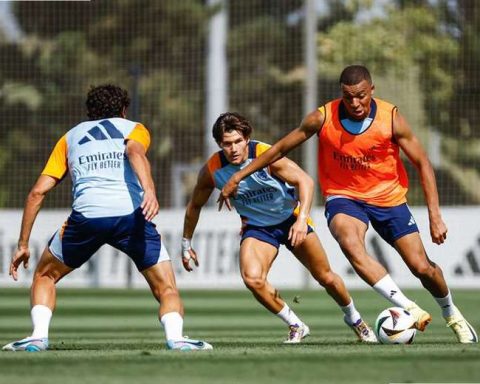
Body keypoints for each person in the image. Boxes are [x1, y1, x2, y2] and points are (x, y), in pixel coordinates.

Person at [218, 65, 478, 344]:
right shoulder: (323, 117)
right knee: (351, 244)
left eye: (361, 96)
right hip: (344, 197)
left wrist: (434, 215)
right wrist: (239, 176)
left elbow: (423, 163)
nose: (354, 103)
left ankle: (452, 315)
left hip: (389, 199)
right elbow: (279, 148)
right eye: (348, 96)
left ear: (372, 91)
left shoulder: (391, 118)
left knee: (422, 268)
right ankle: (410, 307)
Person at [3, 84, 212, 352]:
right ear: (124, 110)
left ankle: (38, 336)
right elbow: (134, 152)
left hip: (87, 218)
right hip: (132, 218)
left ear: (90, 112)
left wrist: (23, 244)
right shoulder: (135, 128)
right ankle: (177, 339)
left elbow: (37, 192)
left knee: (44, 275)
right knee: (166, 287)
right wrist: (149, 190)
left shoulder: (69, 138)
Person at [181, 112, 377, 343]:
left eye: (238, 141)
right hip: (258, 228)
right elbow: (194, 206)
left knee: (326, 277)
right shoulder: (213, 170)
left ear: (247, 138)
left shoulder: (266, 155)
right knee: (252, 279)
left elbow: (305, 181)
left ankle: (355, 319)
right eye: (227, 144)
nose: (233, 148)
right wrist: (186, 243)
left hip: (290, 219)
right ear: (219, 144)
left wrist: (302, 219)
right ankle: (296, 324)